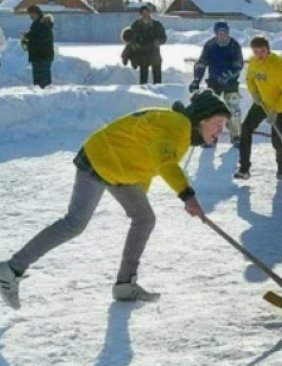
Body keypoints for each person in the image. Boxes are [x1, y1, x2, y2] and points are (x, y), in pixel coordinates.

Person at [0, 90, 230, 309]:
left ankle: (125, 284)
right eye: (218, 123)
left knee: (144, 218)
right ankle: (11, 269)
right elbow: (164, 163)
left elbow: (146, 163)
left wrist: (140, 196)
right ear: (202, 118)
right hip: (99, 159)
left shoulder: (180, 131)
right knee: (74, 223)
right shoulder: (177, 124)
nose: (220, 130)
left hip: (121, 168)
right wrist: (188, 197)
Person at [236, 36, 282, 180]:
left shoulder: (280, 65)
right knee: (245, 129)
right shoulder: (253, 62)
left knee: (276, 140)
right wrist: (254, 93)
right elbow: (250, 79)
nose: (259, 55)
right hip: (262, 103)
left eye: (262, 51)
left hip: (281, 108)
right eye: (255, 51)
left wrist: (275, 110)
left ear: (268, 49)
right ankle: (244, 168)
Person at [189, 21, 245, 147]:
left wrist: (229, 74)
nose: (222, 35)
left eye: (224, 32)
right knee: (212, 111)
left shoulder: (234, 45)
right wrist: (196, 80)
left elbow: (238, 63)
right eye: (219, 32)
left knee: (233, 109)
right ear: (215, 33)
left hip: (230, 82)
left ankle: (236, 136)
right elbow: (201, 64)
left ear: (227, 32)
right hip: (214, 82)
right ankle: (211, 137)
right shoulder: (210, 45)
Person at [130, 4, 167, 84]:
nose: (145, 15)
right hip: (142, 54)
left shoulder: (156, 24)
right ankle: (143, 91)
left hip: (154, 54)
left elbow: (163, 37)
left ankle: (158, 91)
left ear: (149, 13)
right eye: (143, 13)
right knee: (143, 78)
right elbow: (131, 38)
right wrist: (135, 46)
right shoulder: (136, 25)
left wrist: (158, 41)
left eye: (147, 12)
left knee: (157, 78)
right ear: (141, 14)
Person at [22, 5, 54, 88]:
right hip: (38, 56)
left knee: (43, 81)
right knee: (38, 80)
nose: (30, 17)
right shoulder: (38, 23)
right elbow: (36, 36)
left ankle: (45, 94)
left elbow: (40, 38)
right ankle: (41, 93)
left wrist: (28, 38)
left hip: (42, 55)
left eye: (31, 15)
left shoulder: (42, 23)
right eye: (29, 15)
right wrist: (27, 37)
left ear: (36, 13)